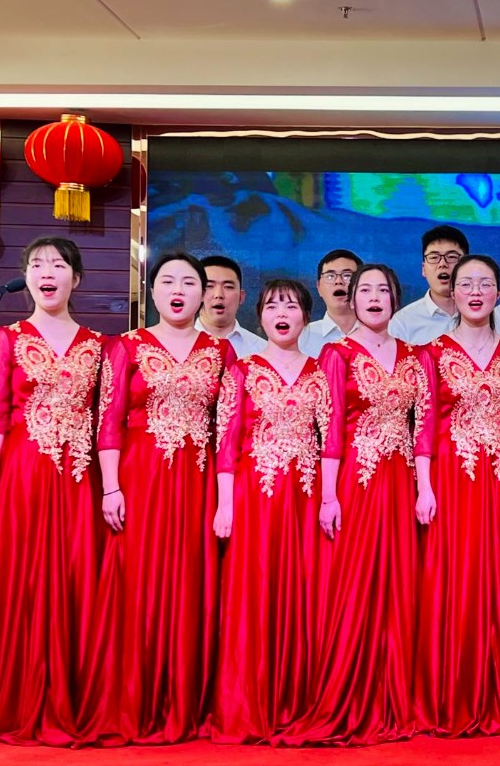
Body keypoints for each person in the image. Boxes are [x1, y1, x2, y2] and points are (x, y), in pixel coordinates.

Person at [0, 237, 106, 745]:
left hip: (81, 476)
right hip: (23, 473)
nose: (48, 272)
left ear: (76, 279)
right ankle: (16, 698)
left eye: (59, 264)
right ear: (25, 278)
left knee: (76, 576)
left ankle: (74, 696)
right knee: (22, 579)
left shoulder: (100, 345)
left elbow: (107, 419)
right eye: (37, 264)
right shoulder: (7, 338)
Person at [91, 253, 235, 745]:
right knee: (137, 585)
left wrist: (224, 500)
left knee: (193, 585)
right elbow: (108, 420)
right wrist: (111, 487)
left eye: (189, 283)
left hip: (198, 484)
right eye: (168, 281)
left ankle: (187, 701)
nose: (178, 290)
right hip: (139, 482)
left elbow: (227, 431)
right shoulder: (126, 346)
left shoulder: (220, 352)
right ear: (151, 291)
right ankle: (135, 700)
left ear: (203, 295)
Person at [299, 264, 428, 744]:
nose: (374, 297)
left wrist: (425, 487)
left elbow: (423, 428)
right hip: (357, 478)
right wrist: (329, 495)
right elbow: (330, 428)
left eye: (383, 290)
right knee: (357, 582)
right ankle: (351, 694)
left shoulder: (415, 356)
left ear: (396, 299)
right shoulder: (336, 354)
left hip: (402, 481)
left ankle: (397, 694)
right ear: (351, 300)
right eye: (365, 290)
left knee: (401, 583)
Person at [211, 279, 333, 745]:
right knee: (254, 591)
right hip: (253, 496)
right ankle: (250, 703)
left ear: (306, 316)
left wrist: (329, 498)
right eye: (272, 306)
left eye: (292, 306)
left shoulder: (321, 372)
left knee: (303, 592)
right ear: (258, 316)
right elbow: (227, 442)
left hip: (305, 497)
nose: (282, 313)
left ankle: (296, 700)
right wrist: (225, 504)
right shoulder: (241, 371)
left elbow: (331, 441)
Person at [413, 255, 500, 737]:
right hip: (450, 479)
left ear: (499, 292)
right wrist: (424, 486)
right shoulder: (431, 353)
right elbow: (423, 426)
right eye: (466, 283)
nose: (475, 291)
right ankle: (450, 690)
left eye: (485, 283)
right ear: (452, 292)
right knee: (451, 578)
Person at [390, 225, 467, 345]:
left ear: (467, 265)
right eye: (434, 257)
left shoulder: (487, 318)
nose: (442, 264)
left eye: (452, 257)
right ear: (423, 269)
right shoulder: (402, 323)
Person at [197, 255, 267, 358]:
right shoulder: (176, 346)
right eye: (209, 286)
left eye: (228, 287)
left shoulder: (262, 350)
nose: (218, 294)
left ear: (241, 297)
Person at [299, 249, 361, 357]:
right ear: (319, 287)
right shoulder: (303, 337)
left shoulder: (384, 333)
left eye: (347, 275)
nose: (338, 282)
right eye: (330, 276)